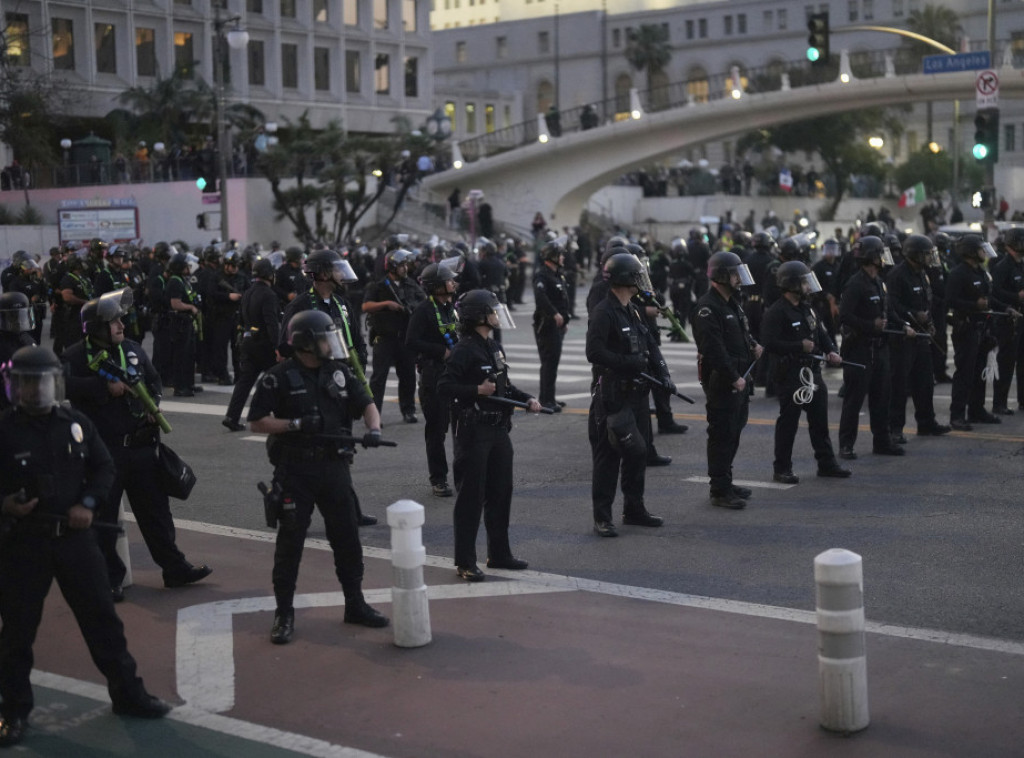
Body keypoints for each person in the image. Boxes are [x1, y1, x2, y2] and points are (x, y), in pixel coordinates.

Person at [0, 346, 172, 747]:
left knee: (103, 622)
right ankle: (12, 711)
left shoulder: (75, 424)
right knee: (17, 634)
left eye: (42, 383)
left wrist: (89, 504)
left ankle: (128, 694)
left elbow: (104, 467)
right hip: (24, 544)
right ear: (14, 387)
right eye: (26, 384)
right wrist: (5, 504)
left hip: (75, 541)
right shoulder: (4, 430)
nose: (35, 392)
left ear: (54, 384)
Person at [248, 310, 390, 644]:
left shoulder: (338, 373)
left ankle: (355, 604)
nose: (330, 343)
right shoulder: (277, 377)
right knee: (290, 545)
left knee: (347, 541)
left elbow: (367, 402)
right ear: (305, 343)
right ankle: (284, 613)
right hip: (296, 472)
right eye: (324, 337)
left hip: (335, 469)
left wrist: (374, 428)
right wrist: (293, 426)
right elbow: (256, 421)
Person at [63, 290, 213, 600]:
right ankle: (110, 579)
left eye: (120, 319)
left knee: (157, 513)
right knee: (103, 520)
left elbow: (154, 381)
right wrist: (103, 387)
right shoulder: (76, 356)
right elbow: (64, 386)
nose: (121, 324)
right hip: (105, 451)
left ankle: (174, 568)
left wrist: (153, 404)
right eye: (113, 321)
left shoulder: (131, 349)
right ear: (96, 328)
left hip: (142, 447)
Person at [438, 290, 541, 581]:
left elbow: (503, 386)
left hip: (497, 430)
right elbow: (444, 387)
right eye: (492, 311)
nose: (497, 315)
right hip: (473, 431)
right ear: (478, 316)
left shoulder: (493, 346)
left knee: (500, 492)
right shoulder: (463, 350)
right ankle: (465, 562)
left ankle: (499, 553)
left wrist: (528, 398)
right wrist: (476, 391)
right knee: (471, 497)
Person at [279, 249, 377, 527]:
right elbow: (283, 346)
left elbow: (357, 340)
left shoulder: (341, 304)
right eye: (336, 269)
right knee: (309, 450)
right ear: (322, 273)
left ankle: (351, 511)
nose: (341, 274)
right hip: (315, 385)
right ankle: (299, 516)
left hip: (343, 381)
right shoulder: (300, 305)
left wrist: (356, 369)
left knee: (342, 446)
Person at [587, 253, 670, 537]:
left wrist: (663, 374)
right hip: (613, 395)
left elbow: (650, 345)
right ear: (623, 279)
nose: (640, 281)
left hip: (637, 394)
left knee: (639, 452)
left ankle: (634, 509)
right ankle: (603, 516)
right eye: (636, 276)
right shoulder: (604, 312)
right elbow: (594, 353)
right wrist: (627, 363)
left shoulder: (632, 309)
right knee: (608, 456)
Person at [760, 261, 851, 483]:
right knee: (788, 424)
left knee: (820, 422)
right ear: (791, 284)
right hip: (791, 375)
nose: (808, 287)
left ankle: (826, 463)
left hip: (812, 374)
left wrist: (831, 351)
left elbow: (821, 332)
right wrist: (798, 346)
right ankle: (782, 468)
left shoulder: (807, 307)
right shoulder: (777, 311)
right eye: (804, 282)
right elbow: (769, 344)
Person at [692, 251, 762, 509]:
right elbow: (713, 349)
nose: (738, 279)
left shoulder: (733, 302)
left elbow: (741, 334)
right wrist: (732, 377)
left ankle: (727, 481)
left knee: (734, 432)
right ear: (722, 276)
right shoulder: (707, 308)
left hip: (740, 380)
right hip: (723, 382)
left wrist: (753, 345)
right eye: (734, 274)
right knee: (721, 435)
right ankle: (719, 490)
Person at [837, 236, 907, 458]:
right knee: (854, 400)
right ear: (871, 257)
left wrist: (903, 325)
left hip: (880, 348)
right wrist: (870, 325)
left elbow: (888, 310)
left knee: (881, 397)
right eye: (879, 255)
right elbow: (844, 316)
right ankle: (846, 445)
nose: (883, 259)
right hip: (859, 348)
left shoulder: (879, 281)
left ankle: (882, 442)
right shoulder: (856, 284)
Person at [886, 234, 952, 438]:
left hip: (922, 336)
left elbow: (928, 300)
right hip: (904, 338)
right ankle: (895, 429)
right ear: (914, 255)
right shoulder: (898, 275)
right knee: (900, 385)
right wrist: (912, 315)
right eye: (925, 254)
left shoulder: (923, 274)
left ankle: (926, 423)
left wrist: (929, 322)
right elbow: (892, 305)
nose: (929, 258)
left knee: (924, 383)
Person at [946, 234, 1013, 429]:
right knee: (964, 374)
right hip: (965, 329)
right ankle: (957, 415)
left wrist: (1006, 307)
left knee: (979, 373)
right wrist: (973, 305)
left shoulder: (981, 272)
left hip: (982, 329)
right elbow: (951, 301)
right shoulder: (959, 273)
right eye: (981, 249)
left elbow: (989, 298)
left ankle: (976, 410)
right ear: (971, 252)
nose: (984, 252)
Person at [406, 261, 460, 498]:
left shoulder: (450, 307)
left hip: (454, 375)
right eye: (449, 280)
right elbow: (411, 342)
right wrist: (441, 352)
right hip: (433, 376)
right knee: (437, 430)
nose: (453, 283)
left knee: (460, 428)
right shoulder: (423, 310)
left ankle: (463, 474)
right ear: (437, 286)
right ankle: (438, 479)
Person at [362, 249, 421, 423]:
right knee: (378, 378)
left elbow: (423, 300)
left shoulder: (410, 284)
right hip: (384, 337)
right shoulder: (379, 285)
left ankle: (408, 410)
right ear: (392, 266)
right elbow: (366, 306)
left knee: (408, 376)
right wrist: (386, 304)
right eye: (402, 265)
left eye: (406, 265)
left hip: (405, 337)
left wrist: (412, 307)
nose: (405, 268)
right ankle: (374, 415)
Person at [224, 257, 280, 431]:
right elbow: (272, 323)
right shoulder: (269, 294)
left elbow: (241, 318)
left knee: (244, 382)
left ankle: (232, 417)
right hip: (264, 345)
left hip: (248, 341)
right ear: (270, 275)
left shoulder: (248, 292)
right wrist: (278, 347)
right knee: (276, 380)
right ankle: (278, 417)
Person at [532, 237, 571, 411]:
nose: (562, 257)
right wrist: (554, 314)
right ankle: (546, 400)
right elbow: (540, 297)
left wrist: (564, 319)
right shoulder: (542, 275)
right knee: (549, 362)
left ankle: (551, 397)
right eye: (559, 255)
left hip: (557, 325)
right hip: (546, 324)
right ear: (551, 257)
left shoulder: (556, 274)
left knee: (553, 362)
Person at [989, 228, 1024, 415]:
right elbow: (993, 294)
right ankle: (999, 403)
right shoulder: (1002, 266)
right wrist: (1015, 297)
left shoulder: (1020, 265)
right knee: (1006, 362)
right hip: (1008, 321)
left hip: (1021, 319)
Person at [165, 253, 204, 396]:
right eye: (186, 265)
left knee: (190, 355)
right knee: (181, 356)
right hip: (179, 324)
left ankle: (189, 384)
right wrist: (190, 308)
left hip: (187, 323)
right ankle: (180, 387)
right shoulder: (175, 282)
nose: (188, 267)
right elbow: (175, 303)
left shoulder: (182, 280)